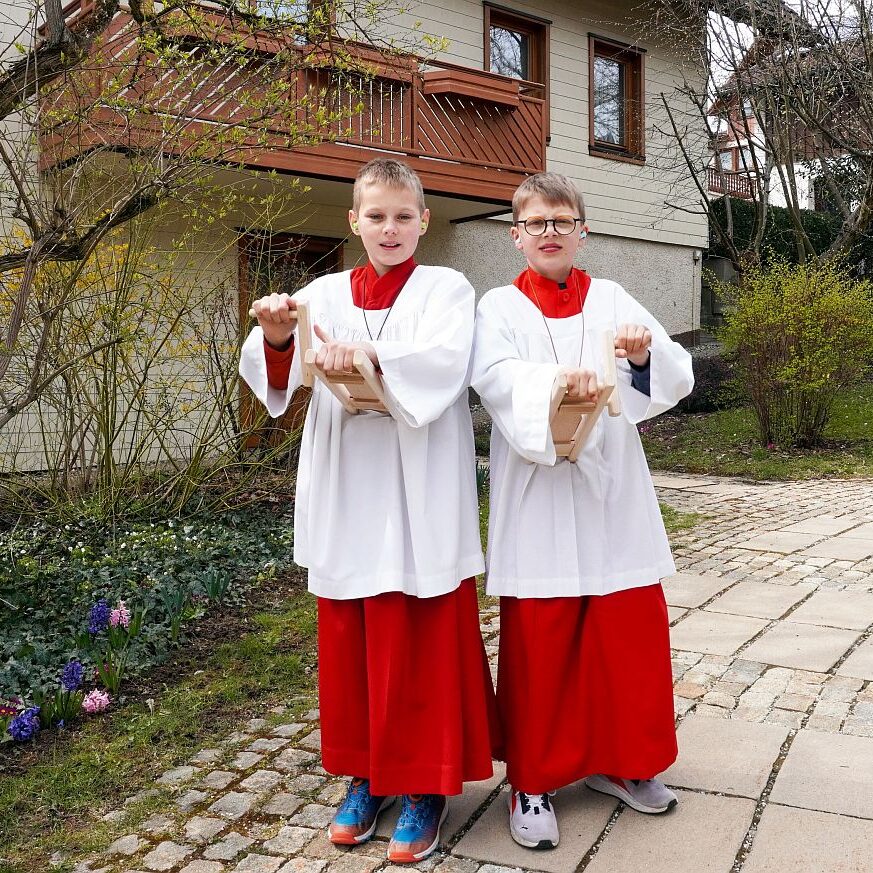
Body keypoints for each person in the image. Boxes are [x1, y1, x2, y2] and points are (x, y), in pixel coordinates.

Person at [239, 158, 498, 863]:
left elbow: (444, 364)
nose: (389, 228)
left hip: (417, 482)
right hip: (350, 481)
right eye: (375, 215)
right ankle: (367, 773)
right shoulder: (322, 290)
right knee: (353, 633)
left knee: (419, 632)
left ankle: (424, 786)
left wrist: (370, 356)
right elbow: (280, 376)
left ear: (423, 221)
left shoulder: (447, 287)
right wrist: (277, 335)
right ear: (353, 220)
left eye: (402, 216)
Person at [470, 172, 693, 850]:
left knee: (623, 638)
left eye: (561, 221)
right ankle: (532, 781)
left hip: (609, 492)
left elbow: (673, 369)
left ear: (581, 230)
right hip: (539, 493)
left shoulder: (614, 297)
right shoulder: (498, 307)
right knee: (542, 643)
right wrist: (554, 384)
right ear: (516, 234)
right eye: (536, 223)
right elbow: (493, 378)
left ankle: (624, 764)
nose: (549, 233)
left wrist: (641, 354)